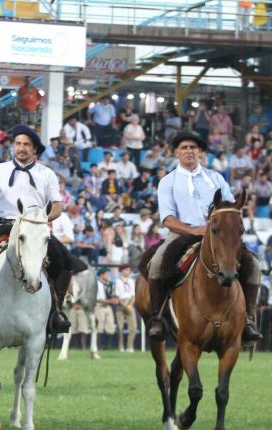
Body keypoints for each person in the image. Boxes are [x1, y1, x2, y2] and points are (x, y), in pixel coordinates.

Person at [146, 131, 262, 342]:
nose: (189, 151)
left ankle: (248, 319)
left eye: (193, 148)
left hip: (219, 237)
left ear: (200, 152)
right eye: (184, 148)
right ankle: (157, 317)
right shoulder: (168, 181)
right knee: (156, 263)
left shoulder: (216, 178)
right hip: (183, 234)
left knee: (253, 265)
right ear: (176, 153)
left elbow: (231, 208)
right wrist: (193, 230)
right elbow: (167, 219)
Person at [0, 124, 82, 333]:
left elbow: (57, 206)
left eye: (26, 145)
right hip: (0, 226)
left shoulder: (47, 174)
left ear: (35, 150)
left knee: (65, 260)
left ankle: (56, 311)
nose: (21, 148)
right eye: (18, 144)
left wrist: (41, 221)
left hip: (33, 230)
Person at [113, 264, 137, 352]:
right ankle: (121, 346)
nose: (128, 271)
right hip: (121, 304)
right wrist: (125, 306)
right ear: (122, 271)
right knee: (120, 327)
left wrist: (130, 305)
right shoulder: (117, 281)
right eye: (126, 270)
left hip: (130, 303)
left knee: (133, 327)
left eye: (129, 270)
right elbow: (117, 296)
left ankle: (130, 346)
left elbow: (133, 295)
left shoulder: (131, 281)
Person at [95, 267, 118, 343]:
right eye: (106, 274)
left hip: (108, 306)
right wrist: (110, 300)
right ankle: (98, 345)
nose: (108, 276)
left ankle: (108, 346)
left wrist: (114, 299)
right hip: (99, 306)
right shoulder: (96, 284)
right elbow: (97, 299)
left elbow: (113, 294)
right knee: (99, 326)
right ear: (102, 275)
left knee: (110, 325)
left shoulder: (110, 284)